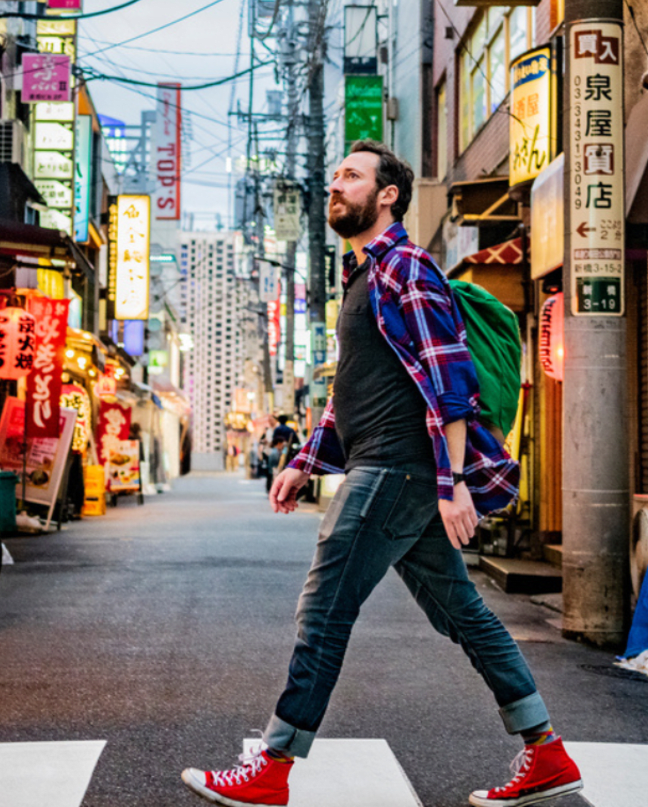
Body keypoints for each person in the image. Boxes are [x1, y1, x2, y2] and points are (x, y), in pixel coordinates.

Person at [181, 141, 582, 807]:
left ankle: (274, 766)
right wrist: (305, 460)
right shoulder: (364, 276)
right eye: (335, 174)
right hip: (392, 467)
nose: (336, 185)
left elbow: (452, 382)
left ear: (388, 194)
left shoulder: (408, 269)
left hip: (397, 470)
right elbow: (354, 391)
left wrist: (453, 484)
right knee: (463, 612)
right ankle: (547, 751)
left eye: (351, 176)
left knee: (325, 607)